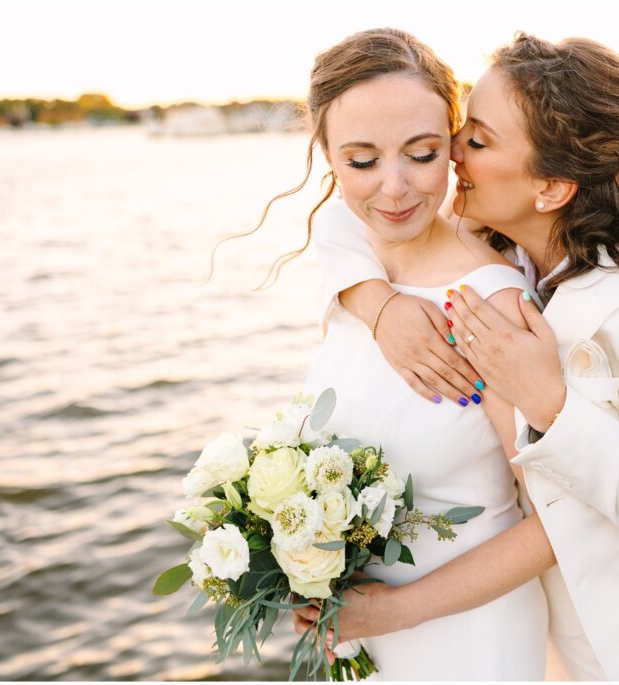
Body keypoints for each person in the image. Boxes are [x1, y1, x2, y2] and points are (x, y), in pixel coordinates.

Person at [295, 33, 619, 681]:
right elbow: (349, 218)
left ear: (552, 188)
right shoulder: (480, 222)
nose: (450, 156)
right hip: (503, 607)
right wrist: (379, 305)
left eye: (472, 140)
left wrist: (550, 402)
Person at [219, 28, 550, 680]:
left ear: (454, 143)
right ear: (329, 157)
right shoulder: (353, 267)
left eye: (422, 154)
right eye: (363, 161)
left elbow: (559, 524)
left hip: (469, 641)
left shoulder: (494, 306)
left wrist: (400, 610)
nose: (394, 190)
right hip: (363, 641)